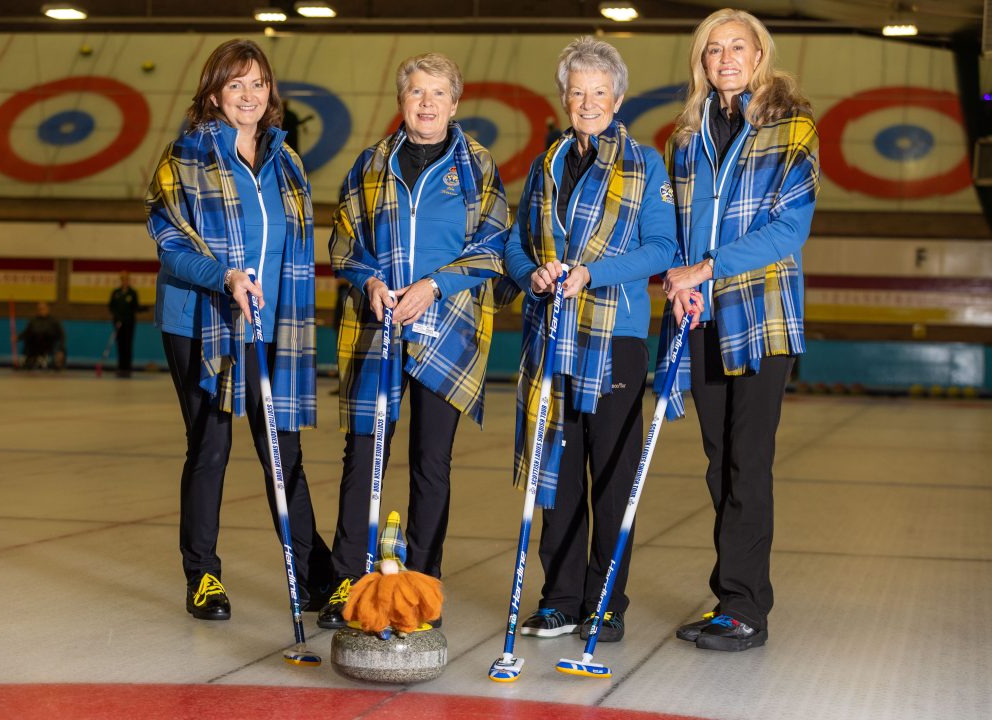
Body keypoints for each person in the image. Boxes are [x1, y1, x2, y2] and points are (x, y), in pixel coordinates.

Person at [320, 52, 513, 629]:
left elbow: (495, 243)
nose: (426, 104)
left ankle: (423, 588)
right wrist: (370, 280)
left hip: (448, 331)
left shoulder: (477, 165)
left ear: (455, 104)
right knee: (364, 459)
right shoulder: (369, 165)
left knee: (432, 462)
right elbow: (343, 242)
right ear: (401, 101)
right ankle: (346, 585)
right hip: (376, 328)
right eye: (415, 93)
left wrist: (435, 284)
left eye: (437, 94)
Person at [145, 38, 333, 622]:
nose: (248, 96)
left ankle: (320, 580)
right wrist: (223, 276)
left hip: (273, 324)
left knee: (284, 451)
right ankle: (202, 577)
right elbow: (170, 241)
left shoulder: (286, 159)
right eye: (235, 85)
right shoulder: (184, 156)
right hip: (200, 321)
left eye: (257, 83)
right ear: (213, 93)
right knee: (211, 446)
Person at [505, 36, 677, 643]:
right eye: (577, 91)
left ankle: (606, 601)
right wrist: (535, 273)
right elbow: (514, 243)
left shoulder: (645, 163)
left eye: (599, 91)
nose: (587, 101)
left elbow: (664, 249)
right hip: (552, 336)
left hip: (615, 339)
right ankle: (560, 597)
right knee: (556, 470)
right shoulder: (547, 161)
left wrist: (590, 274)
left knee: (609, 474)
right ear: (563, 97)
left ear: (619, 97)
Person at [657, 8, 820, 652]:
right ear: (701, 62)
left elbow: (788, 229)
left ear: (760, 55)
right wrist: (678, 278)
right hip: (701, 318)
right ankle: (733, 594)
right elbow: (678, 227)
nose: (725, 58)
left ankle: (747, 608)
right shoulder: (686, 136)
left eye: (737, 47)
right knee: (718, 463)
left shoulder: (794, 128)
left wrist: (708, 266)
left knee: (747, 463)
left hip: (761, 316)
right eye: (712, 49)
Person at [108, 271, 140, 377]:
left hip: (129, 323)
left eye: (127, 279)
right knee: (120, 345)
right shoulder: (116, 292)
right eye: (123, 279)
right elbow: (111, 307)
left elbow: (135, 307)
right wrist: (117, 318)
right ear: (121, 280)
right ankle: (121, 367)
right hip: (118, 323)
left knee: (128, 345)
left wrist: (143, 309)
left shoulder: (132, 293)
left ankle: (128, 367)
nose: (125, 281)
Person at [19, 301, 65, 370]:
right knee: (29, 340)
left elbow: (61, 336)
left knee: (59, 354)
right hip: (35, 346)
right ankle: (28, 361)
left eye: (43, 308)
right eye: (39, 309)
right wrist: (17, 338)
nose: (41, 311)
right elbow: (26, 333)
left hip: (49, 345)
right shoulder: (33, 321)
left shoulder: (54, 321)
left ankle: (54, 363)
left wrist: (60, 349)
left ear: (47, 309)